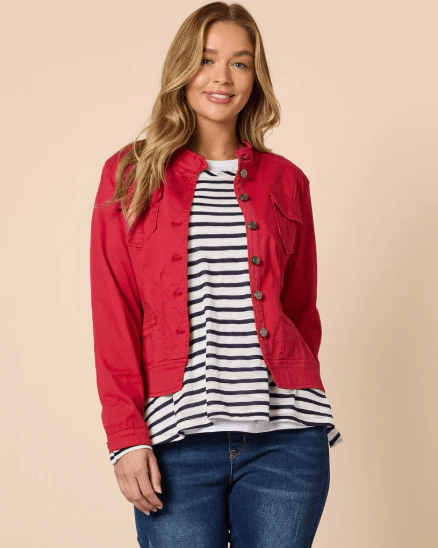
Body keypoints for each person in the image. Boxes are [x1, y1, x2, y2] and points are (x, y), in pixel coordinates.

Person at [90, 3, 343, 547]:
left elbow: (301, 311)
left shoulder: (287, 181)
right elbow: (114, 313)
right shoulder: (130, 174)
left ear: (256, 78)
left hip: (286, 440)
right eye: (206, 60)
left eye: (240, 62)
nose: (222, 77)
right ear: (183, 69)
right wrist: (126, 436)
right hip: (176, 442)